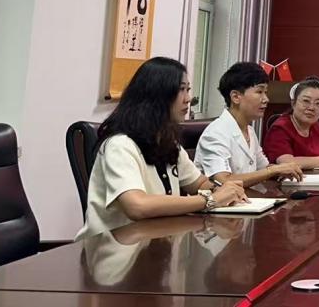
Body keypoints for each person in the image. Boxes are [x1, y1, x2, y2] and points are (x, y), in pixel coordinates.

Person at [77, 57, 247, 240]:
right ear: (156, 94)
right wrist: (209, 200)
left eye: (188, 90)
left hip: (155, 242)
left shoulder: (167, 142)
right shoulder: (120, 145)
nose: (188, 99)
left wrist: (222, 189)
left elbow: (198, 183)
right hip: (112, 248)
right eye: (181, 90)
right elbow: (137, 206)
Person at [194, 62, 304, 187]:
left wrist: (284, 169)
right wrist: (273, 170)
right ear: (236, 97)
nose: (266, 99)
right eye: (259, 92)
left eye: (266, 92)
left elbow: (264, 168)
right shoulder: (215, 133)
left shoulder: (249, 130)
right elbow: (223, 181)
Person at [263, 76, 319, 168]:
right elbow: (286, 163)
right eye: (306, 101)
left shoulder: (316, 126)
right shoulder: (280, 128)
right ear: (293, 103)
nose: (311, 108)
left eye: (318, 103)